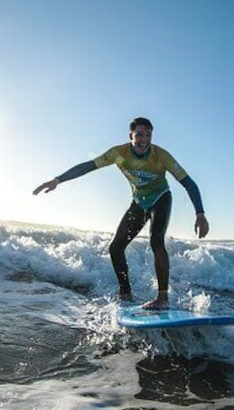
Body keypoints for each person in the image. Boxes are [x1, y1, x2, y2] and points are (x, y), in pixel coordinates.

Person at [33, 117, 209, 309]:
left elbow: (189, 183)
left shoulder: (161, 155)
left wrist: (200, 214)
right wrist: (58, 180)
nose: (144, 139)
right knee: (115, 248)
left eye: (148, 135)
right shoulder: (119, 153)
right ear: (131, 136)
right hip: (139, 203)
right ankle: (125, 294)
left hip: (161, 198)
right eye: (140, 134)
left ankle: (162, 298)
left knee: (156, 241)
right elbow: (89, 166)